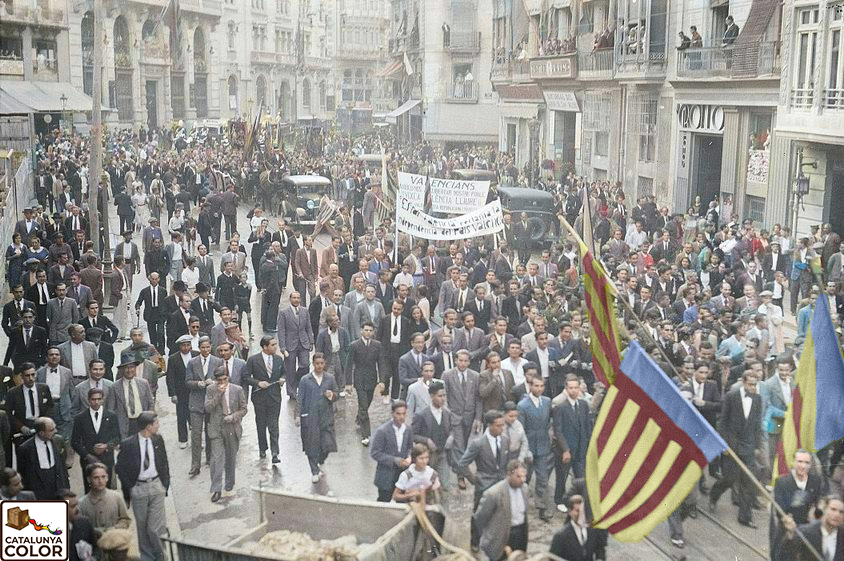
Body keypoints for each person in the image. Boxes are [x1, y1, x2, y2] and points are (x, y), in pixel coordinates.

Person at [709, 372, 763, 528]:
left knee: (749, 481)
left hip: (748, 446)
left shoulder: (758, 399)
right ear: (743, 383)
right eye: (751, 384)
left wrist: (757, 447)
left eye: (755, 384)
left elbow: (757, 425)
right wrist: (724, 444)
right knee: (729, 479)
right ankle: (714, 496)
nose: (753, 387)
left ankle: (745, 517)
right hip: (731, 447)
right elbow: (723, 422)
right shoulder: (731, 396)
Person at [115, 411, 170, 561]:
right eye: (156, 423)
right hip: (138, 488)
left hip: (156, 485)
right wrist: (129, 486)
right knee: (142, 526)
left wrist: (165, 484)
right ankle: (147, 557)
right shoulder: (129, 444)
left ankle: (161, 556)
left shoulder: (158, 440)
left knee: (155, 527)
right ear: (148, 426)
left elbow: (164, 462)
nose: (158, 425)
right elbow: (119, 467)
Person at [457, 410, 511, 550]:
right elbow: (462, 464)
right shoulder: (478, 443)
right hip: (484, 485)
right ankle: (475, 541)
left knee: (501, 514)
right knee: (480, 515)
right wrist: (475, 480)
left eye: (502, 425)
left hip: (501, 484)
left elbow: (507, 462)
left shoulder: (505, 440)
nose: (501, 428)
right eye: (498, 426)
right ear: (490, 426)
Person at [771, 450, 828, 561]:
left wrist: (817, 513)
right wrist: (786, 520)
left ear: (810, 465)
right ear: (794, 462)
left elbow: (818, 504)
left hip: (807, 531)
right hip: (787, 531)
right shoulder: (782, 482)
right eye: (800, 462)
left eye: (806, 463)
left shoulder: (815, 481)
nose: (803, 466)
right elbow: (779, 510)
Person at [205, 364, 247, 502]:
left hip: (232, 427)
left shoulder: (237, 389)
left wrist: (234, 417)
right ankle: (216, 489)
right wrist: (219, 393)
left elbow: (244, 409)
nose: (222, 383)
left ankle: (229, 484)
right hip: (216, 427)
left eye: (224, 379)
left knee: (230, 458)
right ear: (216, 380)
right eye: (219, 380)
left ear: (228, 377)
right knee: (216, 460)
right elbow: (208, 408)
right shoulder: (211, 389)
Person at [552, 374, 593, 512]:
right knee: (562, 477)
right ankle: (559, 500)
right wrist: (565, 450)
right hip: (566, 449)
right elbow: (558, 430)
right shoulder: (560, 406)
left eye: (576, 388)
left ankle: (579, 501)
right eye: (571, 388)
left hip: (581, 449)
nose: (574, 391)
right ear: (566, 389)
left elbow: (587, 427)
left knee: (581, 477)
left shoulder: (583, 405)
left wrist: (588, 446)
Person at [474, 460, 529, 561]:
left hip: (520, 534)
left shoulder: (525, 489)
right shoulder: (494, 494)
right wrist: (476, 543)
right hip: (500, 537)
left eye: (524, 476)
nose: (522, 480)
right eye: (518, 476)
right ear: (509, 474)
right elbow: (480, 519)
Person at [443, 350, 482, 489]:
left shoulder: (475, 376)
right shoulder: (447, 375)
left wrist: (478, 418)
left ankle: (457, 466)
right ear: (455, 360)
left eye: (466, 361)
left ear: (469, 362)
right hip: (454, 416)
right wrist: (447, 415)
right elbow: (445, 396)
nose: (463, 363)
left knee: (463, 445)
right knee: (459, 446)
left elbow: (478, 398)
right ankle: (465, 477)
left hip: (469, 417)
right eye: (460, 360)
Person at [518, 375, 555, 521]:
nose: (539, 389)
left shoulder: (547, 402)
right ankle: (520, 505)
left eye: (541, 386)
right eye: (536, 386)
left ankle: (541, 507)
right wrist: (525, 449)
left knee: (543, 478)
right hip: (529, 446)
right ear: (530, 386)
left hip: (543, 445)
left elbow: (549, 422)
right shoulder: (522, 405)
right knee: (524, 478)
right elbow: (521, 430)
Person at [297, 353, 339, 483]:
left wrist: (332, 395)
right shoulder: (305, 380)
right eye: (317, 363)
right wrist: (299, 416)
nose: (319, 366)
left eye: (322, 363)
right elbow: (300, 399)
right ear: (313, 364)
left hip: (326, 416)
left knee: (327, 444)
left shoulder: (330, 379)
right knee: (312, 445)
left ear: (324, 364)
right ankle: (314, 471)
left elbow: (336, 394)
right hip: (310, 417)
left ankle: (321, 460)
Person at [244, 336, 285, 463]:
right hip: (259, 398)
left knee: (273, 425)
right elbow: (246, 377)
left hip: (274, 397)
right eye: (273, 345)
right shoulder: (253, 360)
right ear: (265, 347)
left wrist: (283, 379)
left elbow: (283, 372)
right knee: (261, 424)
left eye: (275, 344)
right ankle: (263, 448)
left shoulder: (279, 359)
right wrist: (258, 383)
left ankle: (275, 453)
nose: (275, 347)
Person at [71, 388, 120, 492]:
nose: (96, 402)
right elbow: (74, 441)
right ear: (88, 400)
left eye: (99, 399)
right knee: (90, 489)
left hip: (106, 458)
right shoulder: (80, 418)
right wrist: (87, 455)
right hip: (88, 461)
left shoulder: (111, 416)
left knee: (106, 489)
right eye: (93, 399)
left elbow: (117, 437)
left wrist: (106, 446)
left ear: (103, 400)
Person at [348, 322, 387, 446]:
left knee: (366, 404)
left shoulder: (377, 345)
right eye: (366, 330)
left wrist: (382, 381)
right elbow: (349, 365)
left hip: (371, 380)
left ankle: (359, 417)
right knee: (364, 406)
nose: (368, 332)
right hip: (359, 380)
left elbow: (381, 363)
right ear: (361, 331)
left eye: (371, 330)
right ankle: (366, 435)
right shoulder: (354, 345)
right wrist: (348, 383)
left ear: (373, 332)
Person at [370, 400, 414, 502]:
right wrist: (394, 460)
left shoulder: (408, 430)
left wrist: (409, 457)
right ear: (392, 413)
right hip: (386, 474)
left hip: (403, 474)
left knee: (403, 503)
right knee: (384, 501)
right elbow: (375, 453)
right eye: (398, 414)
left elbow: (410, 448)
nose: (401, 417)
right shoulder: (383, 431)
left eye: (404, 414)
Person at [17, 416, 69, 499]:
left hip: (58, 489)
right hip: (39, 493)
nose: (56, 431)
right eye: (51, 430)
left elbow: (62, 465)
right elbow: (23, 474)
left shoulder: (58, 441)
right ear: (41, 433)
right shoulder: (25, 449)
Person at [781, 496, 844, 560]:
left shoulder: (842, 536)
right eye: (833, 509)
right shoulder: (805, 532)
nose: (837, 515)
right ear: (824, 509)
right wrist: (790, 535)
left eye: (841, 512)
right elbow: (788, 554)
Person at [277, 291, 314, 400]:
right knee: (290, 369)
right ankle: (292, 392)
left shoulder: (305, 311)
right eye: (294, 298)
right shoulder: (284, 313)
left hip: (303, 343)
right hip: (290, 345)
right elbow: (281, 331)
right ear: (290, 299)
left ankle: (301, 387)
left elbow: (308, 327)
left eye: (298, 298)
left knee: (305, 366)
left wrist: (311, 341)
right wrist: (283, 348)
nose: (296, 300)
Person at [106, 359, 154, 439]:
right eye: (126, 368)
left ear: (135, 368)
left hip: (141, 421)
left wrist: (148, 419)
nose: (129, 370)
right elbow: (111, 409)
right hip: (125, 424)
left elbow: (150, 402)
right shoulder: (115, 387)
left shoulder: (143, 383)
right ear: (122, 370)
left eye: (132, 367)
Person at [549, 494, 607, 560]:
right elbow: (552, 558)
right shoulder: (561, 536)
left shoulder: (593, 531)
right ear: (570, 512)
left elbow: (600, 550)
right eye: (577, 510)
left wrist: (600, 559)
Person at [78, 463, 132, 534]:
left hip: (114, 539)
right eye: (96, 478)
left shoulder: (117, 497)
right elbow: (80, 527)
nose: (100, 481)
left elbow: (125, 519)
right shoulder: (82, 503)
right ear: (89, 479)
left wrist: (116, 528)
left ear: (107, 478)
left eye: (103, 477)